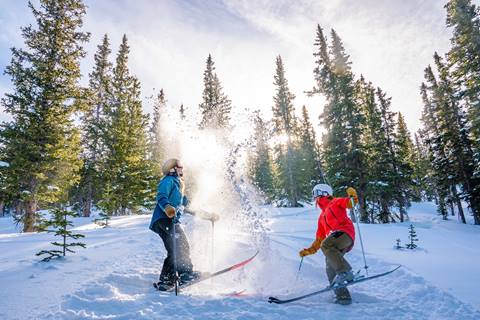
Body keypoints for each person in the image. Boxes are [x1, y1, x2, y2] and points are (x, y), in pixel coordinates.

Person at [150, 158, 219, 291]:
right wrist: (168, 207)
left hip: (170, 221)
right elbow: (161, 196)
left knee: (174, 249)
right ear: (172, 169)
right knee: (181, 245)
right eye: (179, 167)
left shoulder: (179, 187)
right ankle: (186, 274)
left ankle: (166, 280)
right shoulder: (168, 180)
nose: (182, 169)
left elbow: (190, 207)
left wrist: (208, 216)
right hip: (164, 219)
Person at [299, 183, 358, 305]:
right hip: (335, 241)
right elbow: (319, 239)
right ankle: (343, 297)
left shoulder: (335, 202)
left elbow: (350, 203)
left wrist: (353, 196)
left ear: (324, 192)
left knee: (327, 245)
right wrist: (309, 250)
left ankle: (346, 272)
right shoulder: (321, 217)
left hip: (345, 233)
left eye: (316, 193)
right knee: (330, 266)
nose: (315, 198)